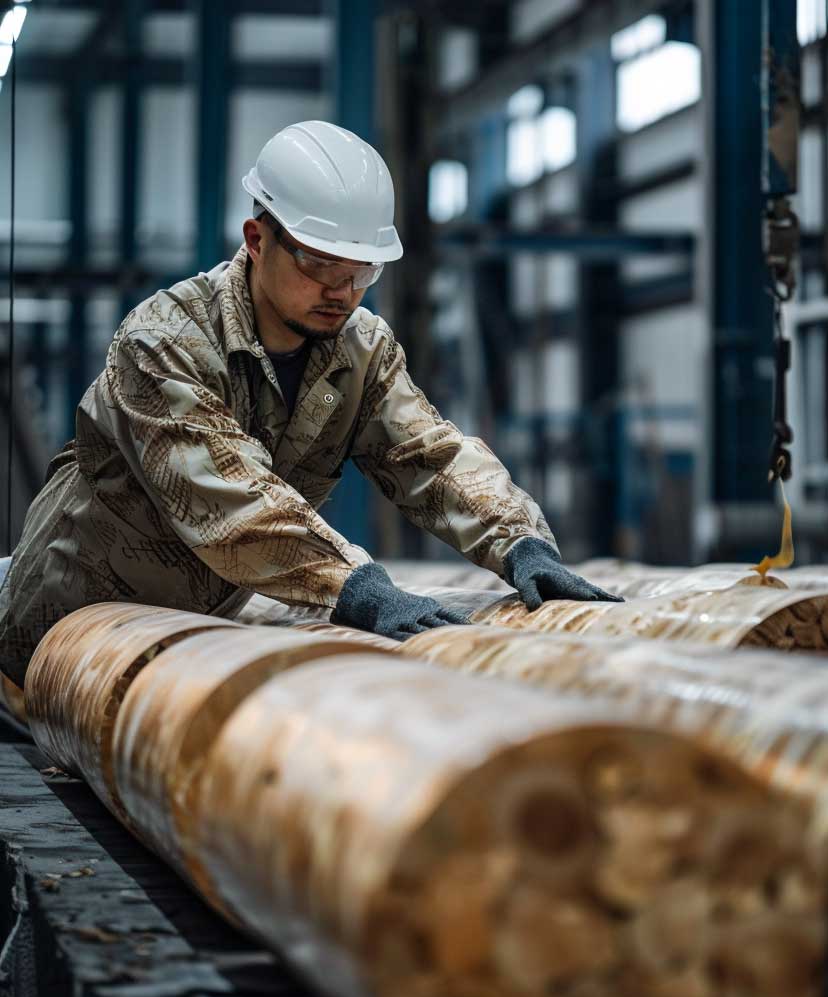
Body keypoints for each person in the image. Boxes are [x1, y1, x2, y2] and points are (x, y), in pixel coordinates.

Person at [0, 121, 618, 689]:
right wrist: (358, 587)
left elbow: (430, 455)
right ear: (257, 239)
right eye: (320, 265)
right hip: (58, 639)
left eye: (362, 272)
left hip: (174, 643)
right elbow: (227, 499)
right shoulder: (163, 342)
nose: (342, 292)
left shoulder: (360, 350)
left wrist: (519, 543)